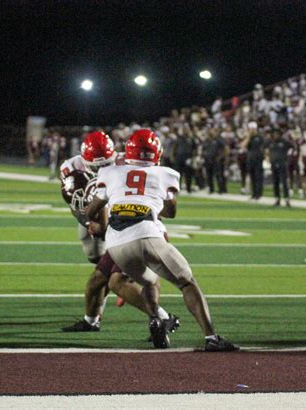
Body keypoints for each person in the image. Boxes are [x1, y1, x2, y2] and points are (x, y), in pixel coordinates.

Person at [86, 129, 238, 351]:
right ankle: (211, 338)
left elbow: (92, 210)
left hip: (116, 243)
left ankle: (156, 317)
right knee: (186, 281)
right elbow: (171, 212)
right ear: (156, 153)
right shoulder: (166, 173)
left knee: (148, 281)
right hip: (146, 233)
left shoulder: (110, 172)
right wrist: (150, 199)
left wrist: (98, 222)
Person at [60, 131, 178, 333]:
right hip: (120, 227)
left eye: (105, 163)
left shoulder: (127, 165)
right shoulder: (72, 169)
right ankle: (91, 321)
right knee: (97, 280)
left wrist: (98, 224)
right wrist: (89, 220)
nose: (101, 170)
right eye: (96, 166)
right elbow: (80, 206)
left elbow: (160, 207)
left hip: (134, 230)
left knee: (118, 282)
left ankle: (162, 318)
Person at [265, 127, 293, 206]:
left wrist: (288, 158)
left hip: (282, 164)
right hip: (273, 164)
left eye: (277, 133)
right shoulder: (271, 142)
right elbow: (265, 149)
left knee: (284, 182)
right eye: (274, 133)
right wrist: (268, 157)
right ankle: (277, 198)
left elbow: (293, 147)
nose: (275, 135)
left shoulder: (284, 142)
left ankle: (287, 199)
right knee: (275, 182)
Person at [243, 121, 265, 199]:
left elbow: (264, 148)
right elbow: (243, 146)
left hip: (258, 159)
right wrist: (248, 137)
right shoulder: (249, 138)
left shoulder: (260, 137)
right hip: (250, 159)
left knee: (258, 177)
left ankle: (259, 194)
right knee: (252, 177)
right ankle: (254, 193)